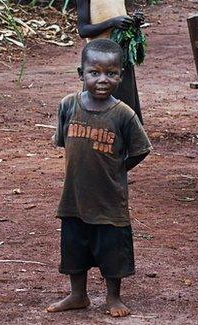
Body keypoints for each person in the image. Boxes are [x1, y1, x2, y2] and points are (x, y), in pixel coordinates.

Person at [47, 39, 151, 318]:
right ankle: (78, 295)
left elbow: (142, 149)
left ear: (121, 75)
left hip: (109, 201)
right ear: (81, 74)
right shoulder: (68, 106)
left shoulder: (124, 114)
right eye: (94, 73)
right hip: (74, 198)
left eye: (111, 73)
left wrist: (119, 168)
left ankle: (113, 297)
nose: (103, 79)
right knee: (74, 249)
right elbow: (63, 142)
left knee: (112, 250)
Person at [75, 0, 145, 123]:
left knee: (126, 101)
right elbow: (83, 30)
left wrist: (134, 22)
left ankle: (127, 136)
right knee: (98, 103)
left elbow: (124, 22)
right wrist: (111, 22)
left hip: (121, 56)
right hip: (98, 59)